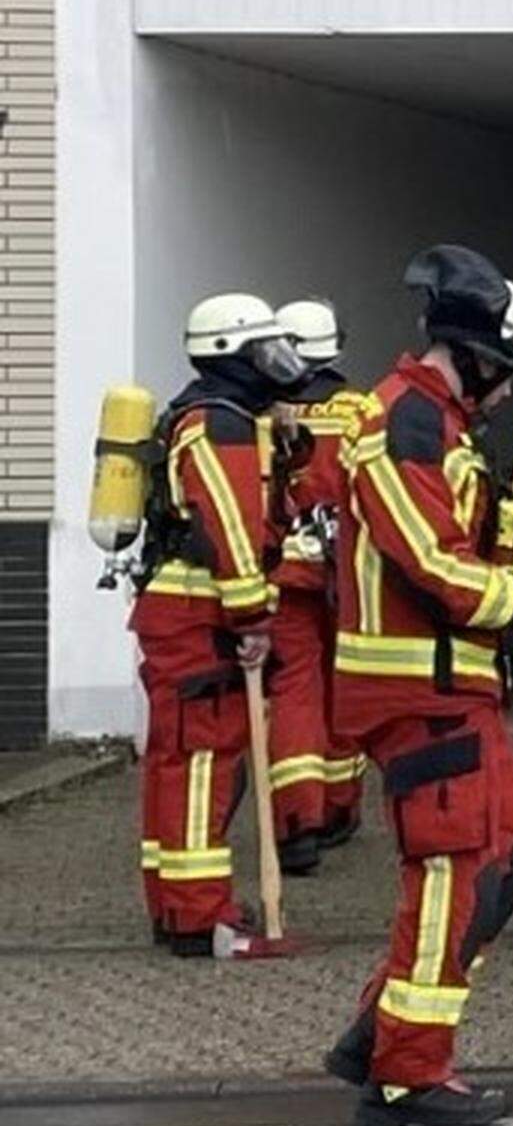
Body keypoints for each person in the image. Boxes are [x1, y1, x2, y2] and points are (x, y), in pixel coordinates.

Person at [322, 243, 513, 1126]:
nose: (511, 390)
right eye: (507, 372)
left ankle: (380, 1035)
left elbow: (470, 547)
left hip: (454, 687)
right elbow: (435, 569)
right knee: (454, 877)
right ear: (471, 352)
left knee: (504, 863)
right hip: (417, 693)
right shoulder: (407, 426)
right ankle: (410, 1077)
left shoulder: (442, 425)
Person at [130, 292, 302, 954]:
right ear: (233, 357)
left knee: (176, 762)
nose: (275, 366)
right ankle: (203, 921)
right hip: (201, 614)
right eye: (263, 352)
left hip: (178, 610)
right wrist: (251, 613)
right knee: (205, 761)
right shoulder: (221, 423)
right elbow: (230, 526)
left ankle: (175, 908)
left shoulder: (201, 417)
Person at [262, 298, 373, 874]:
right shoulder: (362, 410)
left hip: (283, 571)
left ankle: (295, 822)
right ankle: (337, 808)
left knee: (294, 692)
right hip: (346, 572)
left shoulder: (263, 411)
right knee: (344, 686)